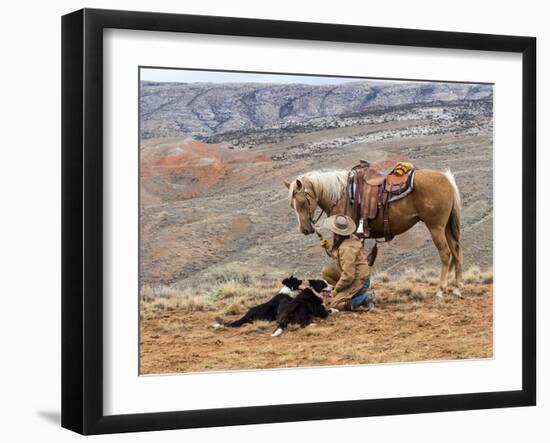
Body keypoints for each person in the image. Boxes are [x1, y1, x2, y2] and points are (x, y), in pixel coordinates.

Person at [318, 214, 375, 311]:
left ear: (337, 233)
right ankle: (345, 294)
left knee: (333, 305)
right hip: (357, 276)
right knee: (326, 271)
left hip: (359, 281)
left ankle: (365, 297)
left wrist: (336, 290)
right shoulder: (350, 238)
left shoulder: (346, 248)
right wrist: (327, 247)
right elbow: (340, 255)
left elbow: (348, 276)